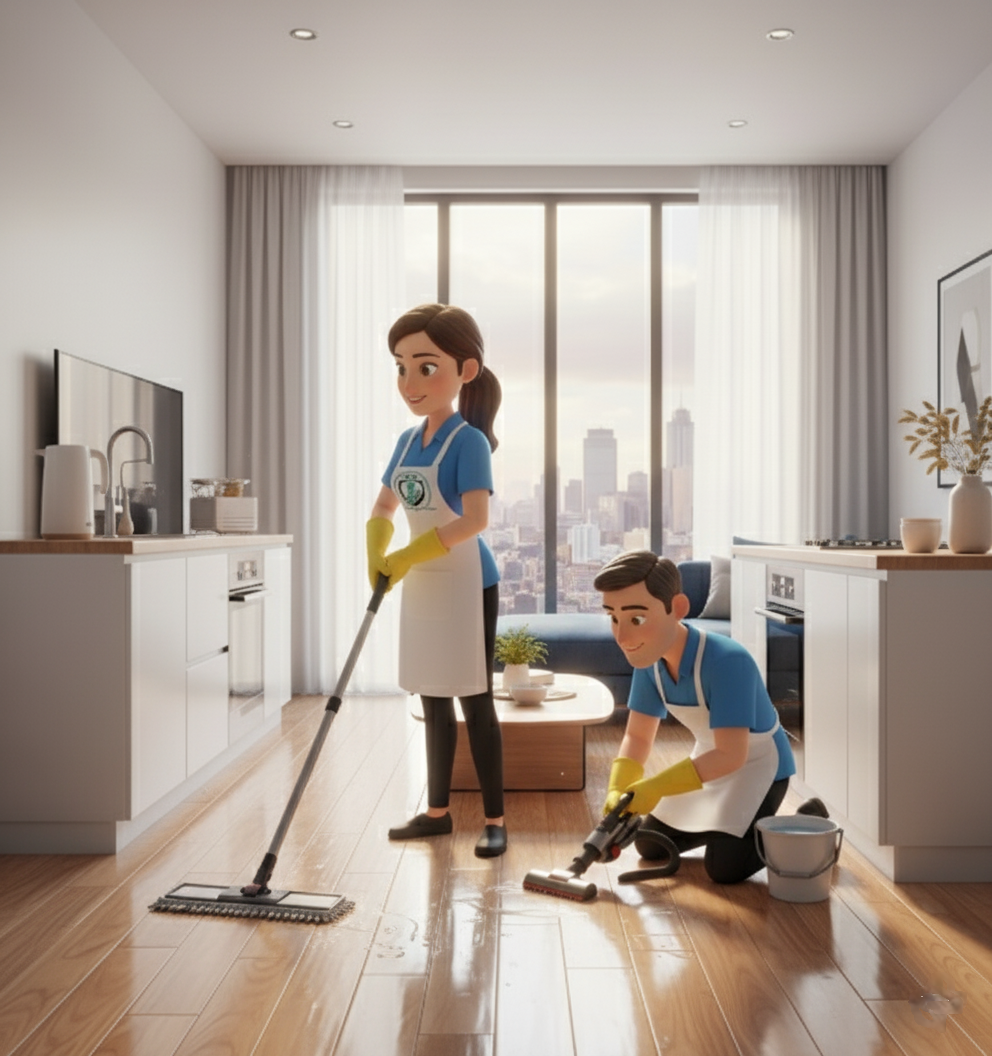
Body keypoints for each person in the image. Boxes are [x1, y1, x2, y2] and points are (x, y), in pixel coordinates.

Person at [366, 303, 507, 858]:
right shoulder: (405, 442)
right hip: (422, 581)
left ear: (464, 371)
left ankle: (495, 821)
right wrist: (377, 552)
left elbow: (475, 520)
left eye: (425, 367)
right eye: (400, 367)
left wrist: (405, 557)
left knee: (476, 700)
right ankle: (437, 813)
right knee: (433, 698)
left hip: (467, 583)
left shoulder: (467, 441)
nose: (409, 382)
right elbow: (383, 503)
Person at [594, 550, 825, 884]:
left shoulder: (727, 661)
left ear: (678, 608)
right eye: (613, 618)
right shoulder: (649, 662)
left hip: (759, 767)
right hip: (708, 762)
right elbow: (638, 737)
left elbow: (733, 754)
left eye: (637, 619)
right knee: (648, 845)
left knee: (725, 869)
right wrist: (618, 788)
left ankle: (804, 820)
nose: (623, 637)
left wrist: (656, 787)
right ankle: (723, 829)